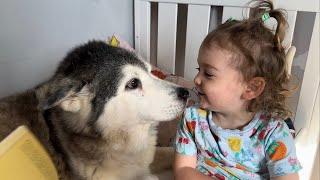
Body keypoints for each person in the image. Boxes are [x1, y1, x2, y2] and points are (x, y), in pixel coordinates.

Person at [174, 1, 302, 179]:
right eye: (199, 70)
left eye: (209, 74)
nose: (196, 79)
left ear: (251, 88)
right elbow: (183, 170)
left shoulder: (273, 133)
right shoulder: (192, 119)